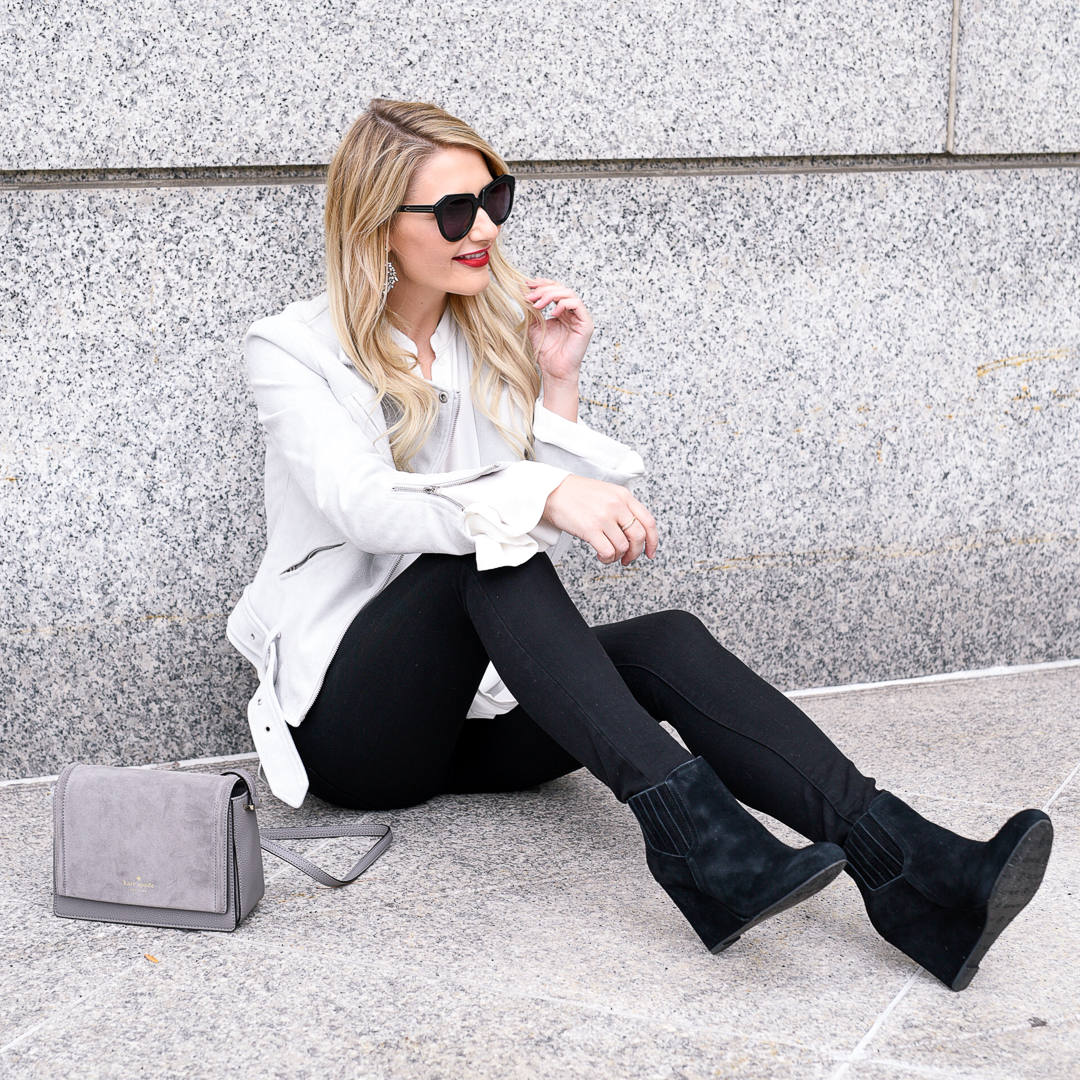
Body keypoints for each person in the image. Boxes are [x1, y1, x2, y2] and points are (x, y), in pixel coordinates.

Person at [227, 99, 1053, 992]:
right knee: (478, 559)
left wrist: (556, 380)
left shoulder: (477, 334)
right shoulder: (290, 349)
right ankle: (704, 850)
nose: (486, 231)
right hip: (356, 732)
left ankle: (918, 875)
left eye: (494, 199)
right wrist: (545, 487)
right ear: (377, 225)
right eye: (456, 212)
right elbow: (367, 507)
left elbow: (518, 499)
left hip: (470, 720)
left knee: (664, 640)